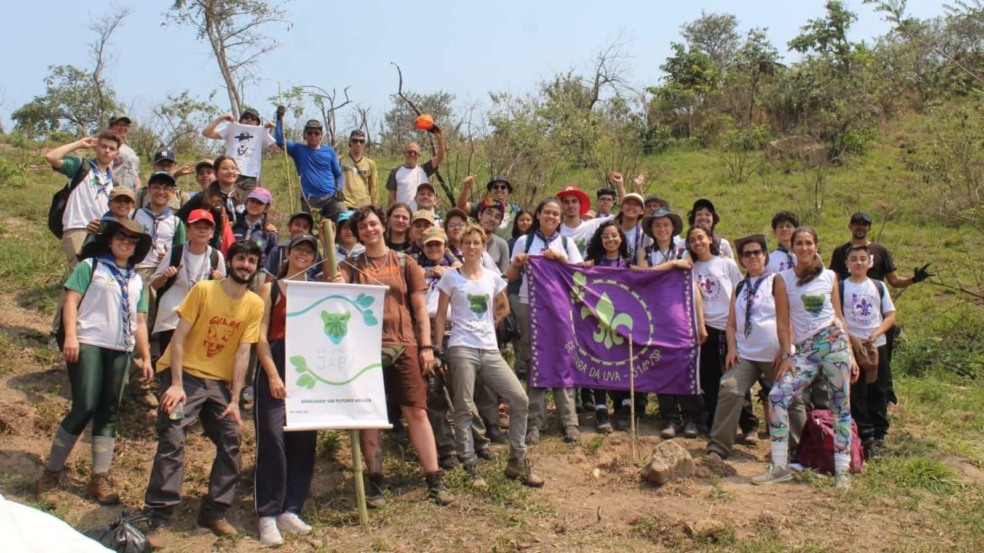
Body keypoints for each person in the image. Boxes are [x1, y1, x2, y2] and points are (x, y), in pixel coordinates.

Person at [144, 241, 265, 547]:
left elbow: (242, 353)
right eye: (240, 259)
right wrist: (175, 383)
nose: (245, 265)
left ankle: (214, 511)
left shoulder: (255, 304)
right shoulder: (204, 290)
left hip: (217, 386)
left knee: (232, 438)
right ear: (231, 261)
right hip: (184, 376)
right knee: (173, 435)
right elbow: (179, 337)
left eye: (251, 261)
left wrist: (236, 400)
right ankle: (158, 517)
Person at [337, 206, 454, 506]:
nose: (369, 230)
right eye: (363, 227)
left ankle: (434, 479)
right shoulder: (350, 266)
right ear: (358, 232)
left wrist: (427, 347)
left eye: (373, 223)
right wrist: (336, 282)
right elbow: (336, 296)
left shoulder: (405, 262)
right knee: (370, 415)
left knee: (416, 411)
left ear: (383, 225)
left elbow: (419, 310)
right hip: (364, 348)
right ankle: (375, 481)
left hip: (405, 344)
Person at [37, 220, 152, 506]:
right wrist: (71, 337)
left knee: (109, 410)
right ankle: (51, 471)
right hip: (89, 340)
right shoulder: (90, 267)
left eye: (132, 240)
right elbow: (70, 301)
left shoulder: (137, 280)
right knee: (85, 404)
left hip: (120, 349)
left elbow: (140, 321)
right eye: (121, 236)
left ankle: (98, 477)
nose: (125, 242)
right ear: (110, 239)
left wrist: (146, 356)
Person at [434, 223, 545, 488]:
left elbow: (504, 307)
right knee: (463, 406)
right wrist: (438, 349)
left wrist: (488, 323)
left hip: (489, 348)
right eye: (467, 243)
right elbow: (439, 317)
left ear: (484, 245)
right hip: (461, 347)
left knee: (519, 399)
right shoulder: (450, 278)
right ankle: (470, 465)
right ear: (460, 246)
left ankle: (517, 460)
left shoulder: (492, 278)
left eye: (477, 242)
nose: (472, 247)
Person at [754, 227, 859, 489]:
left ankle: (842, 469)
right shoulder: (783, 279)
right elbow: (782, 322)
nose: (803, 248)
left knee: (840, 406)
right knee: (778, 396)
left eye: (808, 243)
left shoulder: (831, 276)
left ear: (816, 246)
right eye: (799, 243)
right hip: (804, 351)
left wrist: (853, 355)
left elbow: (839, 316)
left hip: (834, 342)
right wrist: (787, 354)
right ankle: (779, 466)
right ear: (792, 248)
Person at [708, 234, 808, 460]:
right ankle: (719, 446)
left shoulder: (777, 282)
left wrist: (785, 351)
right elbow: (731, 325)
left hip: (776, 356)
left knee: (791, 395)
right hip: (746, 355)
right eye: (747, 254)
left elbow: (790, 319)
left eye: (757, 252)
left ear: (765, 256)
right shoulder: (740, 286)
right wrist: (732, 349)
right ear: (742, 259)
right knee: (730, 388)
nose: (752, 257)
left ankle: (799, 450)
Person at [253, 234, 320, 547]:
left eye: (309, 250)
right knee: (272, 439)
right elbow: (261, 336)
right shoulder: (270, 288)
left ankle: (291, 508)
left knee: (303, 440)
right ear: (288, 253)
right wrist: (272, 374)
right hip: (276, 361)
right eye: (299, 249)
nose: (303, 254)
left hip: (307, 365)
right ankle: (267, 514)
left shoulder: (316, 291)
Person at [507, 198, 584, 443]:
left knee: (563, 359)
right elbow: (510, 275)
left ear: (560, 218)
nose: (551, 216)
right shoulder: (524, 241)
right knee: (533, 360)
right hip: (529, 305)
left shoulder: (567, 243)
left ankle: (569, 421)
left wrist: (561, 259)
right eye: (547, 212)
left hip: (560, 308)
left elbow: (580, 273)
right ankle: (534, 423)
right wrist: (518, 263)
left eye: (555, 213)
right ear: (538, 215)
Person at [635, 208, 701, 436]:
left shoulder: (684, 249)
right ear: (651, 230)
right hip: (654, 317)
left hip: (681, 315)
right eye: (657, 225)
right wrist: (672, 265)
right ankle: (670, 417)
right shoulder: (645, 251)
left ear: (673, 227)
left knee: (684, 365)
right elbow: (644, 276)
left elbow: (689, 270)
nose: (662, 229)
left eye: (666, 225)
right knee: (661, 366)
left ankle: (691, 417)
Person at [688, 226, 754, 437]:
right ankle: (716, 425)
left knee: (735, 378)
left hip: (729, 328)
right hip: (705, 329)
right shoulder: (691, 268)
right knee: (710, 379)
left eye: (701, 238)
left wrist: (739, 325)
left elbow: (741, 292)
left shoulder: (726, 263)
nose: (697, 243)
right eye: (692, 240)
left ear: (709, 239)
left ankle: (748, 424)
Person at [130, 171, 187, 408]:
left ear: (173, 193)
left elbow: (181, 251)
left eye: (167, 188)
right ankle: (136, 384)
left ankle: (155, 380)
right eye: (157, 187)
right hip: (138, 273)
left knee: (159, 329)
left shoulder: (175, 221)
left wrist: (169, 261)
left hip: (164, 278)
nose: (161, 192)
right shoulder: (135, 214)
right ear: (149, 189)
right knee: (136, 327)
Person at [841, 244, 897, 457]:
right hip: (852, 345)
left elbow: (890, 314)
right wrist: (853, 339)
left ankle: (880, 432)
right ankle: (864, 434)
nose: (858, 262)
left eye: (863, 258)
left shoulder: (878, 286)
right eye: (853, 259)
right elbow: (838, 317)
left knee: (879, 388)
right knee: (857, 391)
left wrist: (876, 333)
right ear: (847, 263)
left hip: (877, 345)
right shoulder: (841, 287)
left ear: (870, 262)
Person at [580, 220, 633, 434]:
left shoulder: (630, 264)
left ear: (621, 239)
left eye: (614, 235)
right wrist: (583, 269)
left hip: (625, 322)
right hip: (598, 321)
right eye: (606, 236)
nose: (610, 239)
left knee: (624, 364)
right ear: (600, 240)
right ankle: (601, 410)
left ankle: (624, 408)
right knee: (601, 363)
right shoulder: (592, 264)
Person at [150, 209, 226, 358]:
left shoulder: (216, 256)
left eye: (206, 228)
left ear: (212, 233)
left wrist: (219, 281)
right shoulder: (175, 252)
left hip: (201, 319)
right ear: (188, 230)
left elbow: (224, 290)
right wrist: (165, 276)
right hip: (171, 318)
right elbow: (154, 284)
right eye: (197, 227)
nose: (202, 231)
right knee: (168, 362)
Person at [45, 130, 122, 271]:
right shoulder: (80, 167)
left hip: (101, 232)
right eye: (103, 146)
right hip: (78, 227)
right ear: (96, 147)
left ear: (116, 154)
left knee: (96, 278)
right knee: (79, 275)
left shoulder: (114, 182)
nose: (107, 151)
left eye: (112, 149)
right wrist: (79, 144)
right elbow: (51, 156)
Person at [275, 109, 346, 219]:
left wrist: (339, 189)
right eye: (310, 133)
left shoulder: (329, 151)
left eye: (316, 133)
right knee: (313, 230)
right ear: (305, 135)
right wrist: (279, 119)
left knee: (344, 220)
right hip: (309, 199)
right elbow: (280, 141)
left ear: (321, 135)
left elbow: (338, 174)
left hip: (330, 197)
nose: (313, 135)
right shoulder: (298, 150)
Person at [176, 156, 243, 256]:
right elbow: (178, 219)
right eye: (225, 169)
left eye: (233, 168)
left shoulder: (243, 197)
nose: (230, 172)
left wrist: (266, 223)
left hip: (238, 252)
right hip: (212, 252)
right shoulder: (203, 197)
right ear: (216, 173)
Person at [202, 107, 277, 190]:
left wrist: (276, 128)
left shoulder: (261, 132)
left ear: (257, 123)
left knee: (247, 202)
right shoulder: (233, 128)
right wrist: (221, 118)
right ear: (240, 120)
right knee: (227, 199)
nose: (249, 119)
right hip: (230, 172)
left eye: (253, 118)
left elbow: (280, 148)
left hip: (250, 175)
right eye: (246, 117)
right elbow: (206, 133)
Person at [387, 131, 446, 209]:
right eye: (409, 152)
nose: (412, 154)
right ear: (404, 153)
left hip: (423, 216)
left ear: (419, 155)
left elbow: (440, 157)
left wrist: (440, 139)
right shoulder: (396, 172)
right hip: (405, 217)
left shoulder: (424, 170)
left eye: (415, 153)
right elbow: (392, 196)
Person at [457, 175, 523, 239]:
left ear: (508, 192)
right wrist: (466, 188)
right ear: (490, 191)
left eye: (503, 187)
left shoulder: (515, 210)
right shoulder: (483, 206)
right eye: (495, 187)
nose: (499, 189)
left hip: (507, 248)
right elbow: (462, 206)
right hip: (483, 246)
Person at [263, 212, 323, 282]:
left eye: (305, 227)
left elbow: (321, 282)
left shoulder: (315, 253)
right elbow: (268, 283)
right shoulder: (277, 251)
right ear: (289, 226)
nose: (300, 229)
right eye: (297, 225)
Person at [557, 186, 611, 255]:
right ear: (561, 206)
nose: (570, 205)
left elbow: (622, 216)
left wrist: (620, 185)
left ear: (580, 204)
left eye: (574, 201)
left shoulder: (593, 225)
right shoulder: (556, 229)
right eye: (566, 202)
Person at [341, 129, 378, 209]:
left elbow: (373, 187)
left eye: (361, 141)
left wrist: (374, 206)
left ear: (364, 144)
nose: (358, 144)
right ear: (350, 142)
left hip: (365, 206)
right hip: (345, 205)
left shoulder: (370, 163)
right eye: (355, 141)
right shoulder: (340, 161)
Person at [474, 197, 511, 274]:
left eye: (497, 217)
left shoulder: (502, 245)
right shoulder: (466, 240)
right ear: (480, 215)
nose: (492, 219)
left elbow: (504, 277)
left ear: (500, 223)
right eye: (489, 213)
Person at [108, 115, 140, 190]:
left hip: (131, 193)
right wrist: (115, 184)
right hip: (114, 191)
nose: (122, 128)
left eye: (125, 125)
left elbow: (135, 172)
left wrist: (138, 186)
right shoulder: (108, 147)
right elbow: (106, 166)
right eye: (119, 125)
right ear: (111, 127)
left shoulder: (131, 151)